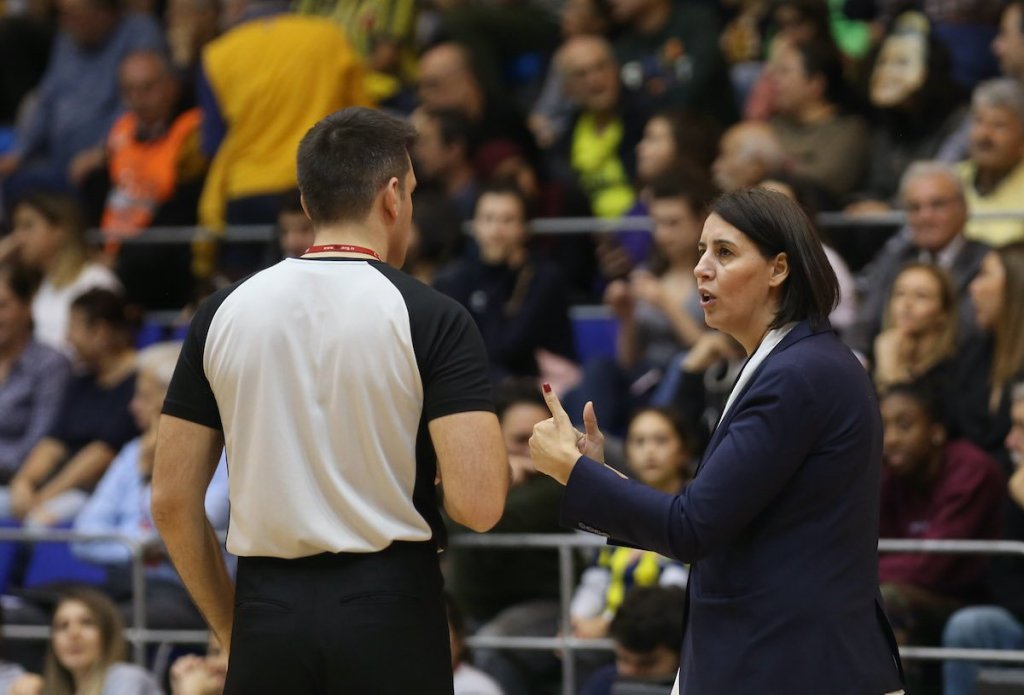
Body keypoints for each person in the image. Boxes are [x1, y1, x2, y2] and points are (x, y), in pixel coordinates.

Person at [151, 106, 509, 694]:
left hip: (267, 613)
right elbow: (480, 506)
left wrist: (234, 631)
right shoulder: (433, 316)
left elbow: (170, 502)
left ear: (307, 199)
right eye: (412, 192)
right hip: (389, 611)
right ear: (392, 197)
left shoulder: (220, 313)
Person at [529, 188, 905, 694]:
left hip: (795, 666)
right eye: (702, 250)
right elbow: (718, 516)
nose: (701, 268)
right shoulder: (790, 363)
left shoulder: (798, 374)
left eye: (724, 253)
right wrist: (596, 475)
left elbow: (693, 527)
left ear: (778, 269)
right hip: (784, 658)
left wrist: (573, 473)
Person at [72, 341, 229, 630]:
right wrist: (137, 546)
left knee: (101, 627)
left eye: (143, 397)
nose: (133, 406)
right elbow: (84, 534)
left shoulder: (223, 456)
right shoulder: (132, 452)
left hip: (186, 593)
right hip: (124, 583)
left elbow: (185, 524)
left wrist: (153, 469)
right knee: (52, 612)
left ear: (174, 401)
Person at [877, 382, 1004, 646]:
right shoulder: (888, 475)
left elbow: (931, 566)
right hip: (907, 590)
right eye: (884, 427)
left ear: (937, 431)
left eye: (904, 426)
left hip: (969, 602)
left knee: (882, 598)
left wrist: (857, 573)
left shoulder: (971, 470)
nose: (891, 439)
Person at [5, 288, 138, 526]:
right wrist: (23, 482)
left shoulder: (138, 384)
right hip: (57, 487)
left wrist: (43, 497)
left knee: (38, 523)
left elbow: (101, 454)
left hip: (99, 493)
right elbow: (53, 441)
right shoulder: (81, 381)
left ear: (100, 332)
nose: (67, 338)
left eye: (73, 328)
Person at [942, 379, 1024, 695]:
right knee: (970, 626)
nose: (1010, 440)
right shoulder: (1016, 485)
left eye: (1021, 427)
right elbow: (1002, 576)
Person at [3, 193, 120, 354]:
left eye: (28, 226)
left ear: (59, 230)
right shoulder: (39, 286)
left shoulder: (96, 280)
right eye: (16, 228)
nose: (17, 238)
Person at [8, 588, 161, 695]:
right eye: (63, 626)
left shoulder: (126, 677)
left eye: (87, 623)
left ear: (108, 633)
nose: (73, 634)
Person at [0, 263, 71, 484]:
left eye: (2, 306)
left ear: (27, 306)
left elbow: (41, 440)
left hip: (19, 481)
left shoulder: (50, 365)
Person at [579, 585, 686, 695]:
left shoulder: (693, 687)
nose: (630, 671)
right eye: (623, 659)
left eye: (647, 663)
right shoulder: (603, 685)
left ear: (682, 657)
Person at [872, 263, 959, 392]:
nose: (907, 304)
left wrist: (889, 369)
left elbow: (898, 404)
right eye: (900, 293)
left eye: (921, 296)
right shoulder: (876, 356)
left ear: (944, 313)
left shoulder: (954, 373)